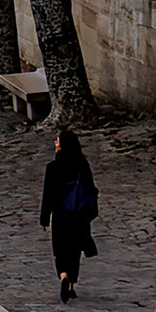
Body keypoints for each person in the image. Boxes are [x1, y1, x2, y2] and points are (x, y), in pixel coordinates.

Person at [44, 128, 100, 299]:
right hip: (79, 215)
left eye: (57, 141)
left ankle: (63, 276)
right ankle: (71, 285)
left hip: (61, 215)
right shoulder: (82, 165)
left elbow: (48, 194)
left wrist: (45, 218)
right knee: (74, 251)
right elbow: (91, 189)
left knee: (61, 250)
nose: (55, 144)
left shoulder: (53, 167)